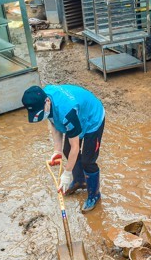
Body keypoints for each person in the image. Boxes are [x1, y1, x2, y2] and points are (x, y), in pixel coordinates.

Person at [22, 84, 105, 213]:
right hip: (77, 115)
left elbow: (75, 147)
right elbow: (53, 123)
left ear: (47, 101)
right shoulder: (43, 97)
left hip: (92, 119)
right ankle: (80, 181)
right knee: (66, 150)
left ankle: (94, 195)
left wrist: (66, 174)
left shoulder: (67, 112)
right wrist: (57, 150)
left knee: (87, 161)